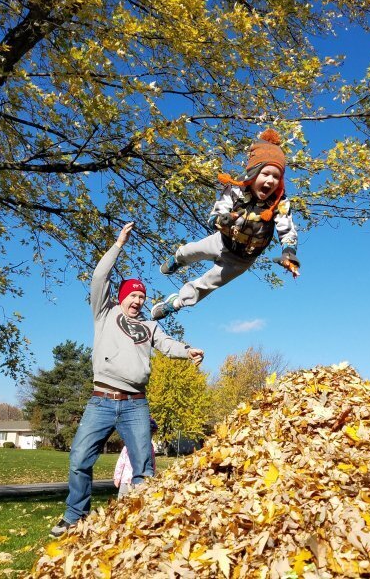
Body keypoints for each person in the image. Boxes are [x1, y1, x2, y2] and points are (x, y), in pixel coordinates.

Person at [50, 222, 204, 538]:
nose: (136, 301)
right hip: (102, 399)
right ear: (121, 297)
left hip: (136, 404)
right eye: (132, 295)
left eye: (141, 297)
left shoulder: (149, 327)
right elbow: (98, 277)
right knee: (80, 458)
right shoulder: (104, 314)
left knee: (143, 470)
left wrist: (187, 350)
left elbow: (167, 344)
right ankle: (75, 516)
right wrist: (118, 244)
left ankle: (139, 522)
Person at [151, 128, 300, 321]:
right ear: (254, 172)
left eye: (276, 177)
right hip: (222, 241)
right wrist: (222, 219)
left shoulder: (279, 203)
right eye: (266, 173)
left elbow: (286, 227)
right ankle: (178, 259)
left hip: (242, 260)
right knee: (191, 251)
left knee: (207, 284)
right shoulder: (235, 191)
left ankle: (176, 303)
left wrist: (289, 252)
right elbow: (218, 212)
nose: (270, 181)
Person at [114, 418, 158, 498]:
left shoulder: (150, 447)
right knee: (122, 500)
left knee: (138, 501)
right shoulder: (129, 445)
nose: (150, 436)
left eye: (152, 434)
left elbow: (152, 462)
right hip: (127, 479)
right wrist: (117, 477)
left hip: (142, 480)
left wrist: (152, 475)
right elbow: (121, 462)